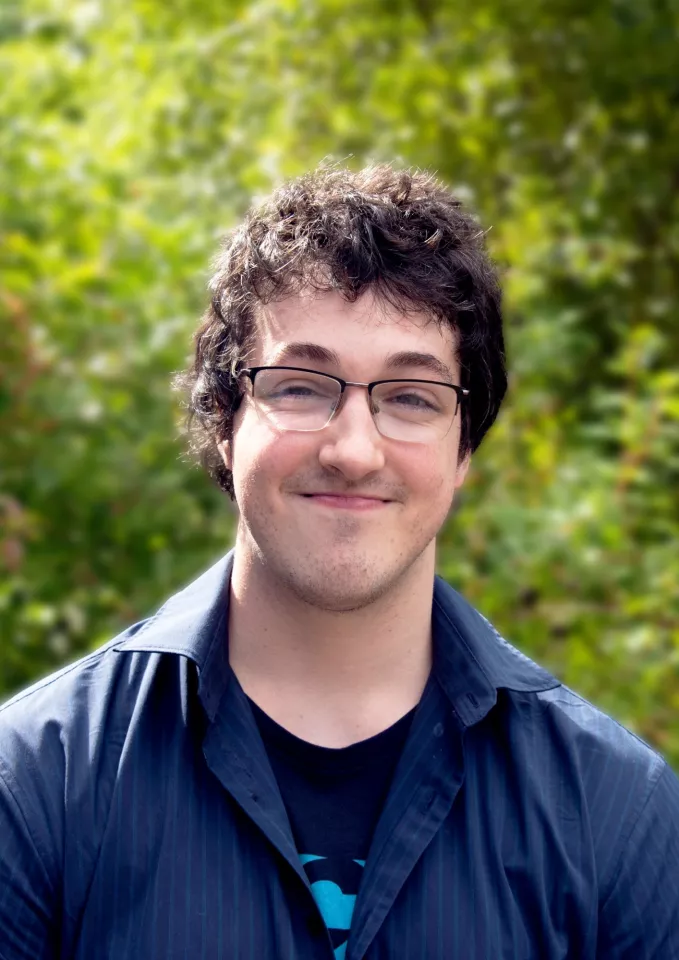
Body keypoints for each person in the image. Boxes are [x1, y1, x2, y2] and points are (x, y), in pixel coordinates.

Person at [1, 164, 677, 960]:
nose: (353, 450)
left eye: (411, 397)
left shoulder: (615, 811)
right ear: (224, 419)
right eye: (298, 387)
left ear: (464, 450)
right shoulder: (38, 782)